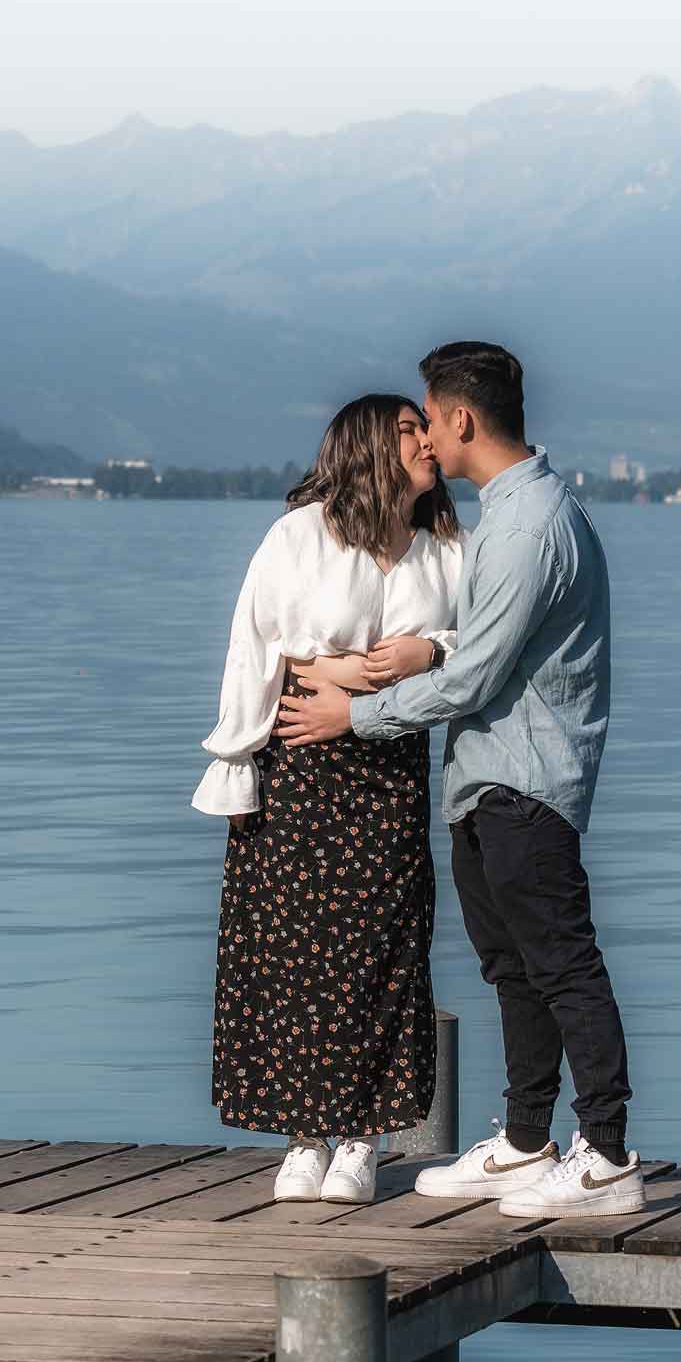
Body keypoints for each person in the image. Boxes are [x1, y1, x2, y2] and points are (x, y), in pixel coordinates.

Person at [276, 342, 640, 1218]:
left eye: (430, 419)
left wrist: (351, 716)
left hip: (526, 780)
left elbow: (473, 678)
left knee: (562, 965)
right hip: (486, 778)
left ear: (462, 419)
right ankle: (525, 1139)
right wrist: (422, 655)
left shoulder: (527, 526)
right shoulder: (505, 518)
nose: (426, 436)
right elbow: (472, 647)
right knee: (511, 968)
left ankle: (608, 1156)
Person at [194, 395, 466, 1205]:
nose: (426, 443)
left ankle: (362, 1137)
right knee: (293, 953)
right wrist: (237, 766)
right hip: (299, 762)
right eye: (409, 432)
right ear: (367, 450)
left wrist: (420, 652)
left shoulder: (446, 545)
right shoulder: (299, 536)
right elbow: (253, 650)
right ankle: (304, 1136)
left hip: (389, 769)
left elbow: (476, 644)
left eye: (427, 429)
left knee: (384, 951)